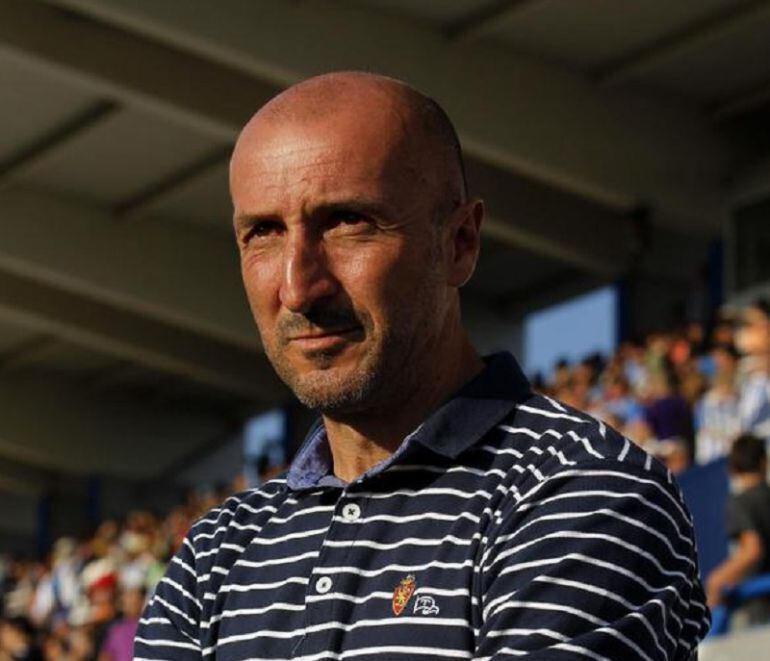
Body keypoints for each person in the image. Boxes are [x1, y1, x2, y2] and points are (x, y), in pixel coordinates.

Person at [135, 71, 708, 660]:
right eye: (263, 233)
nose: (298, 287)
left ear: (459, 242)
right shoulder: (218, 554)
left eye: (347, 223)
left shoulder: (579, 495)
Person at [705, 434, 770, 623]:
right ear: (764, 462)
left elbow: (752, 550)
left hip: (760, 605)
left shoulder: (738, 502)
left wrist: (716, 580)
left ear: (731, 470)